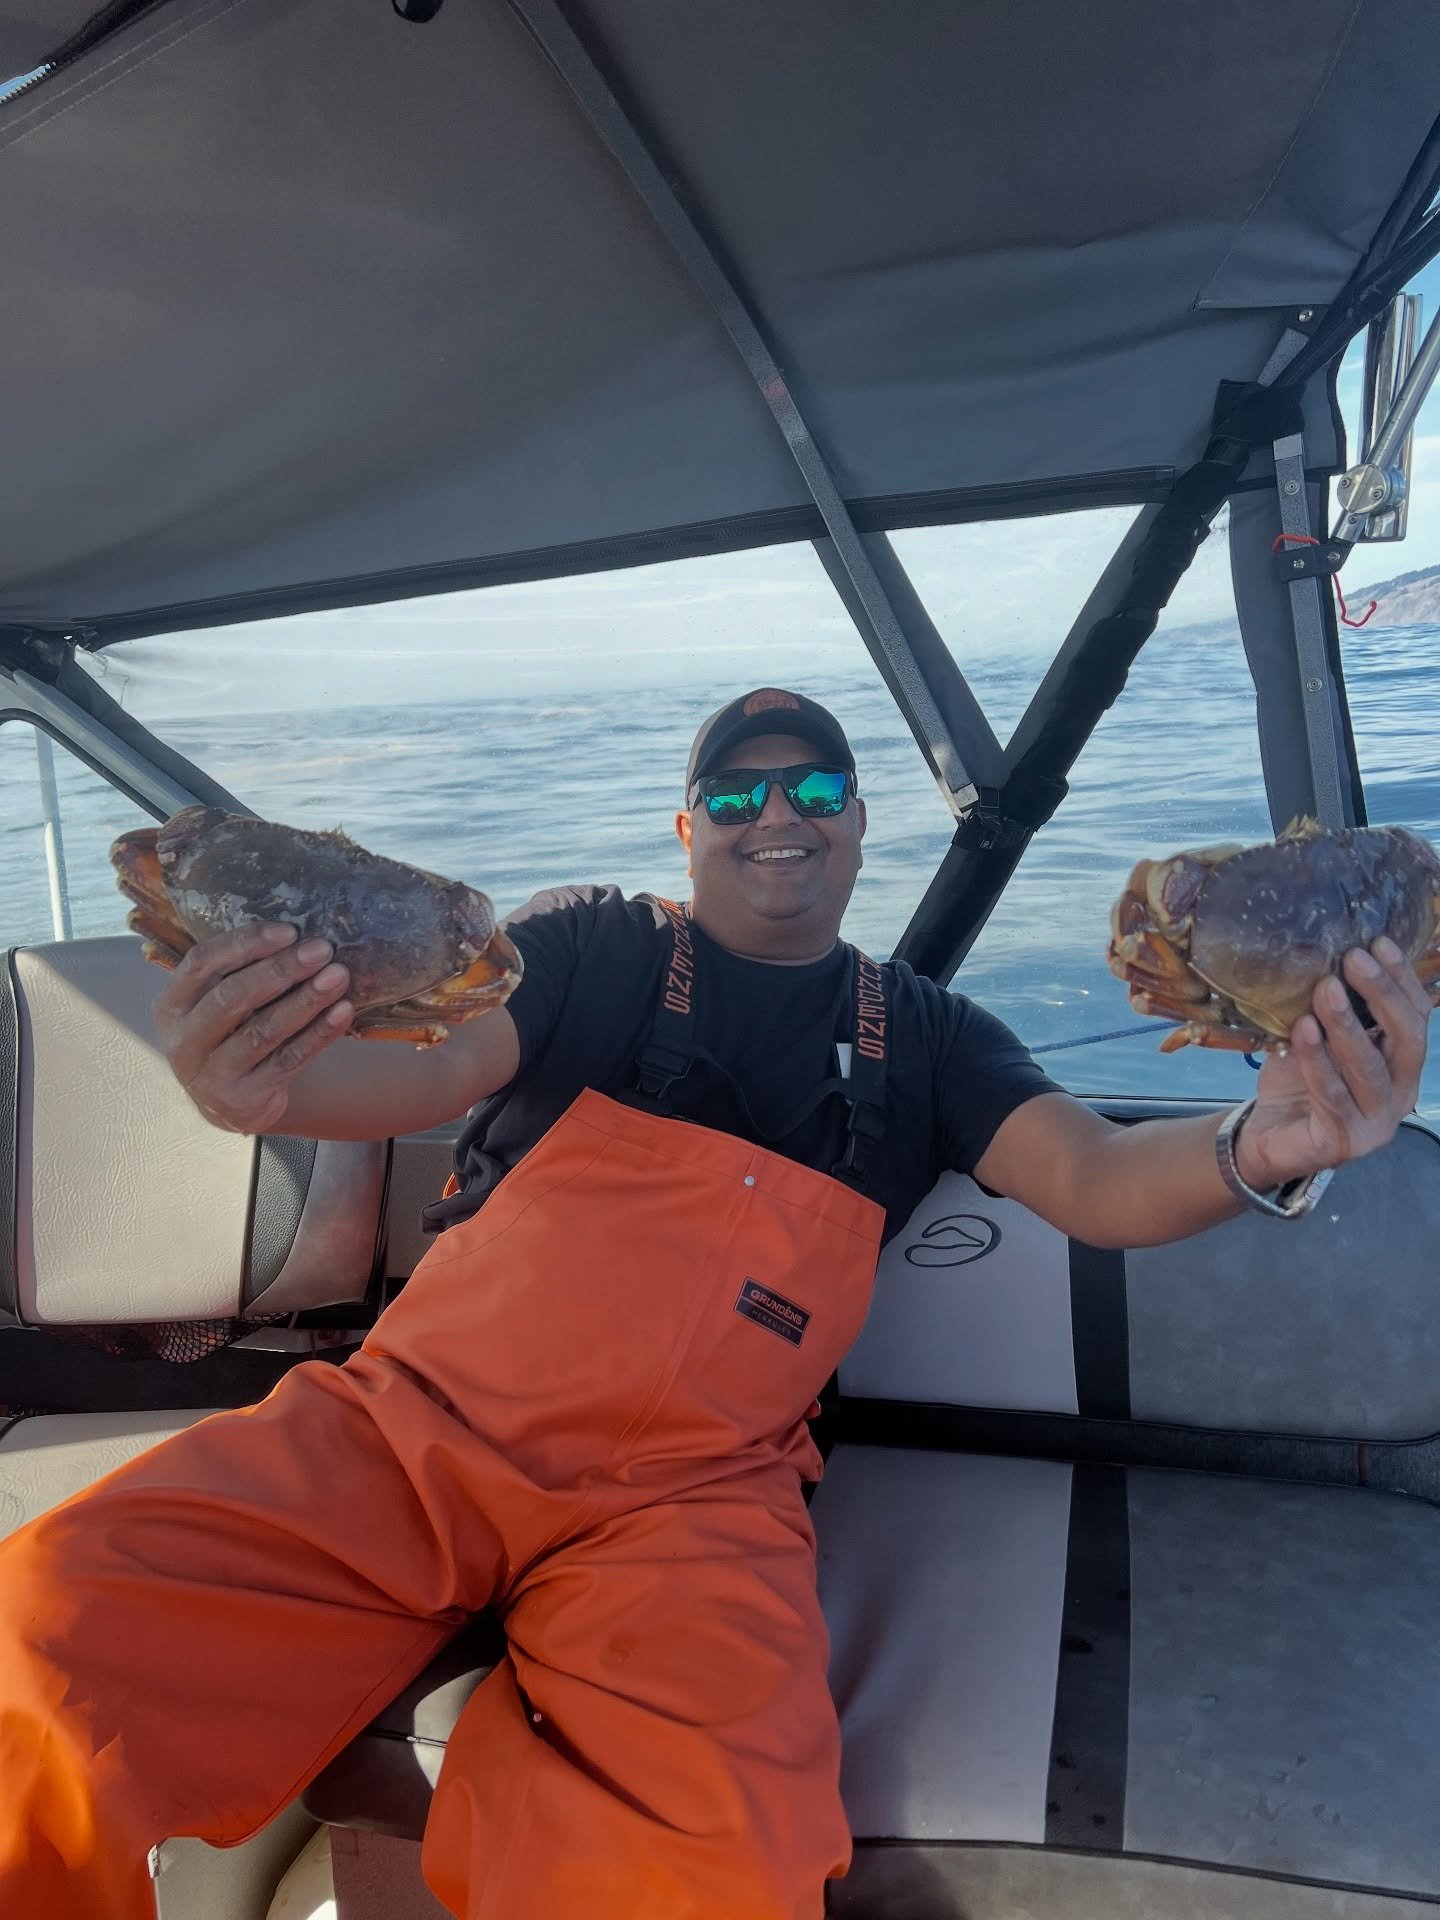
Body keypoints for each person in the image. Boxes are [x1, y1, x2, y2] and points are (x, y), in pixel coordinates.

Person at [0, 687, 1429, 1920]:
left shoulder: (932, 1037)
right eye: (733, 790)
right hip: (406, 1433)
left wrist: (1266, 1145)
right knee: (44, 1648)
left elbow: (1100, 1176)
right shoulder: (596, 950)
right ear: (689, 833)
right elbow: (425, 1076)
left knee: (714, 1858)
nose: (775, 811)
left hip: (689, 1509)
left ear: (862, 826)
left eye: (814, 784)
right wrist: (253, 1086)